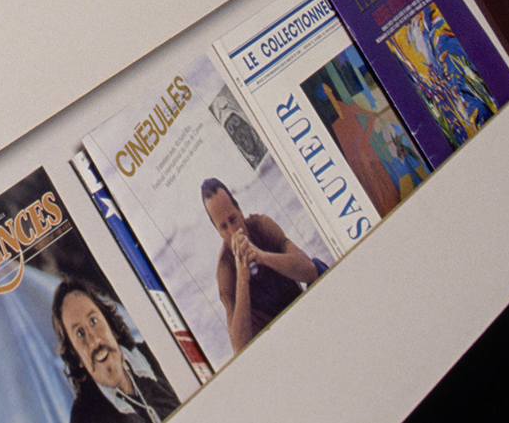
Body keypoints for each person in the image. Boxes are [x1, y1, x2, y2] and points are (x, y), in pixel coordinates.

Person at [200, 177, 324, 353]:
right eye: (223, 227)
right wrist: (242, 280)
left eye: (233, 220)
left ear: (240, 211)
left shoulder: (261, 225)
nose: (232, 231)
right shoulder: (225, 269)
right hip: (276, 343)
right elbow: (239, 348)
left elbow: (311, 270)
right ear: (218, 232)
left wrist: (263, 257)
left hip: (301, 310)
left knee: (319, 264)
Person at [51, 279, 182, 423]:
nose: (94, 340)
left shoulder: (157, 352)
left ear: (109, 323)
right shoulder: (83, 418)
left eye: (93, 321)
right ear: (75, 356)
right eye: (80, 333)